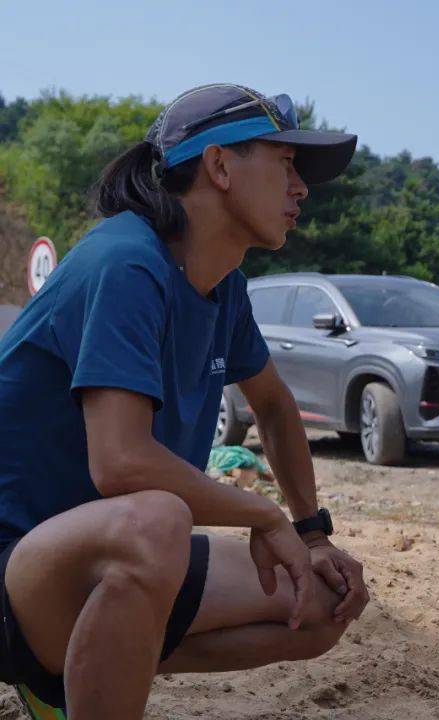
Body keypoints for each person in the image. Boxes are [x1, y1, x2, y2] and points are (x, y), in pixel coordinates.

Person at [0, 83, 367, 718]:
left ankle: (82, 665)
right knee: (156, 521)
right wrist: (264, 515)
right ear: (219, 165)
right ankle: (64, 671)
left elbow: (276, 408)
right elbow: (120, 464)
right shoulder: (125, 261)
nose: (302, 187)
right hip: (17, 569)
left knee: (318, 600)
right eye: (286, 163)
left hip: (89, 561)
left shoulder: (224, 287)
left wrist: (311, 533)